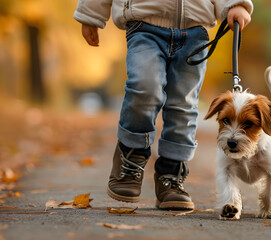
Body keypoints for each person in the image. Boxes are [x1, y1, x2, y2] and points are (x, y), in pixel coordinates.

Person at [73, 0, 253, 210]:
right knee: (144, 88)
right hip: (144, 24)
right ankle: (130, 158)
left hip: (195, 31)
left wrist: (235, 4)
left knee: (183, 104)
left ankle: (171, 174)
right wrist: (90, 14)